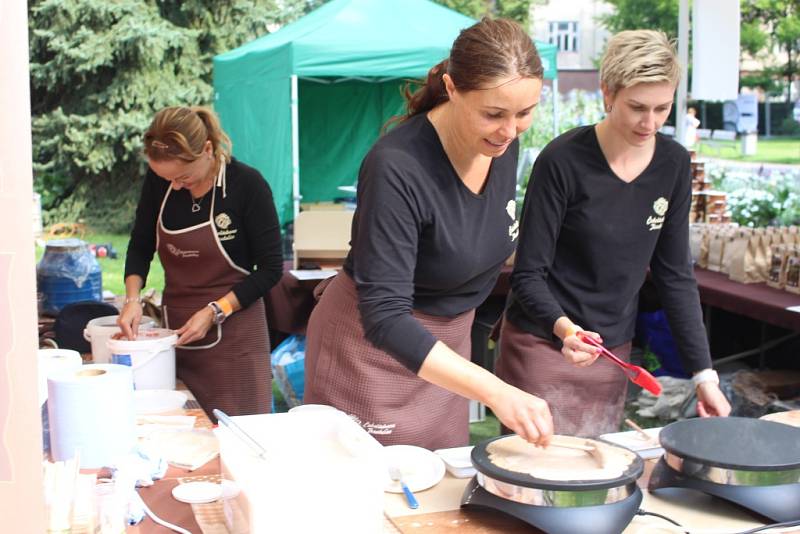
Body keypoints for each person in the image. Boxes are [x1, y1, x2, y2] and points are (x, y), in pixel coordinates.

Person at [303, 18, 553, 450]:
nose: (510, 132)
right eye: (494, 114)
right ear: (453, 89)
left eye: (524, 113)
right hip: (369, 353)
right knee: (373, 493)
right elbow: (385, 315)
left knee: (436, 493)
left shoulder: (501, 146)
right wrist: (493, 388)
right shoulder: (397, 166)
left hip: (445, 361)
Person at [497, 30, 731, 438]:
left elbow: (675, 275)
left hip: (613, 352)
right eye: (637, 107)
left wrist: (703, 374)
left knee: (595, 468)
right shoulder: (563, 160)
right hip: (543, 343)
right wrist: (567, 330)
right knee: (531, 473)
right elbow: (528, 274)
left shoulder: (673, 164)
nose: (650, 122)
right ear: (607, 93)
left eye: (662, 108)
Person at [119, 106, 283, 421]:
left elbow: (271, 268)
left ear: (207, 149)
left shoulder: (247, 185)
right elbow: (141, 244)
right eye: (167, 179)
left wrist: (214, 311)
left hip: (236, 338)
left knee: (241, 436)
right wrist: (132, 299)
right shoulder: (161, 183)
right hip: (178, 331)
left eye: (183, 177)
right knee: (183, 429)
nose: (176, 186)